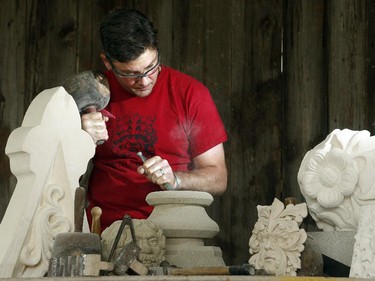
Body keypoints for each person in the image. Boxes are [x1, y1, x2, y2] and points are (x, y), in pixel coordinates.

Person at [82, 8, 228, 231]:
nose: (144, 81)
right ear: (108, 62)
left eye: (150, 67)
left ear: (157, 51)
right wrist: (76, 135)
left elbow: (218, 178)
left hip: (172, 230)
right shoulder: (91, 95)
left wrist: (176, 179)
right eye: (130, 74)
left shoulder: (190, 94)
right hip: (102, 228)